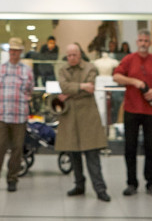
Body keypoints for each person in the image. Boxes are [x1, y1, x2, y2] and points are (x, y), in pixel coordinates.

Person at [113, 30, 152, 197]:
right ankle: (131, 183)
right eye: (141, 40)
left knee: (151, 148)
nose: (143, 43)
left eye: (146, 40)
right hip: (131, 110)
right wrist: (134, 82)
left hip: (151, 111)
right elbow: (116, 76)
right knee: (130, 148)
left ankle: (151, 183)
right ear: (136, 42)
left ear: (150, 43)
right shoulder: (128, 60)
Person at [55, 43, 111, 202]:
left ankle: (100, 189)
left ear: (80, 55)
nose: (71, 58)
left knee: (92, 154)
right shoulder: (62, 69)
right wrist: (81, 87)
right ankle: (79, 185)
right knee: (73, 153)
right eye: (69, 55)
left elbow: (90, 88)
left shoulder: (91, 67)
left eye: (74, 55)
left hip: (88, 116)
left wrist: (69, 93)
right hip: (69, 116)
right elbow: (63, 86)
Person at [0, 37, 34, 192]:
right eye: (11, 50)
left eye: (17, 51)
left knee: (17, 149)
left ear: (21, 52)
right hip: (1, 115)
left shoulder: (27, 71)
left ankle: (12, 179)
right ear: (8, 51)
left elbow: (29, 91)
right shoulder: (0, 69)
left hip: (19, 116)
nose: (14, 53)